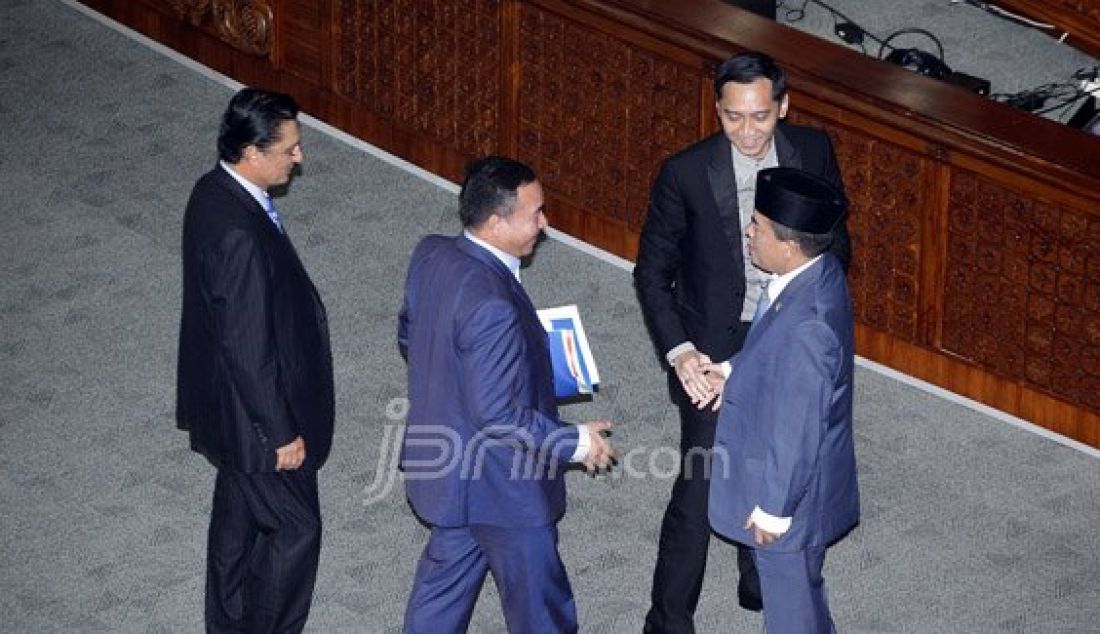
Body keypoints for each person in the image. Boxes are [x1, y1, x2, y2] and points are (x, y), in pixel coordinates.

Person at [633, 50, 850, 633]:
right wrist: (681, 354)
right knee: (700, 488)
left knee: (779, 458)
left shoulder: (814, 151)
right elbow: (651, 273)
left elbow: (835, 244)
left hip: (787, 338)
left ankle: (757, 578)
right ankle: (668, 621)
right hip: (709, 352)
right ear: (718, 111)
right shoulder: (684, 172)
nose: (747, 132)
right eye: (733, 118)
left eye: (760, 116)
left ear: (783, 105)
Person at [397, 156, 616, 633]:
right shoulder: (491, 305)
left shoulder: (432, 252)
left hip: (450, 476)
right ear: (496, 222)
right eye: (534, 214)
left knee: (438, 601)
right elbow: (497, 414)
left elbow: (410, 337)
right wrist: (575, 441)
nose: (544, 223)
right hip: (506, 488)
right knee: (541, 610)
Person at [177, 88, 334, 633]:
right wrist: (281, 433)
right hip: (257, 419)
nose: (299, 157)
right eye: (288, 149)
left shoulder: (211, 191)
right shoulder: (239, 233)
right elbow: (247, 346)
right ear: (251, 153)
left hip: (228, 410)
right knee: (296, 531)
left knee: (237, 520)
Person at [704, 166, 859, 633]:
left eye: (758, 226)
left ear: (788, 245)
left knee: (793, 615)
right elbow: (774, 349)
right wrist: (732, 370)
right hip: (802, 487)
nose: (749, 232)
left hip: (791, 499)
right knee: (804, 603)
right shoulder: (815, 274)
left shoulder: (809, 328)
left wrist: (774, 510)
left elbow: (798, 430)